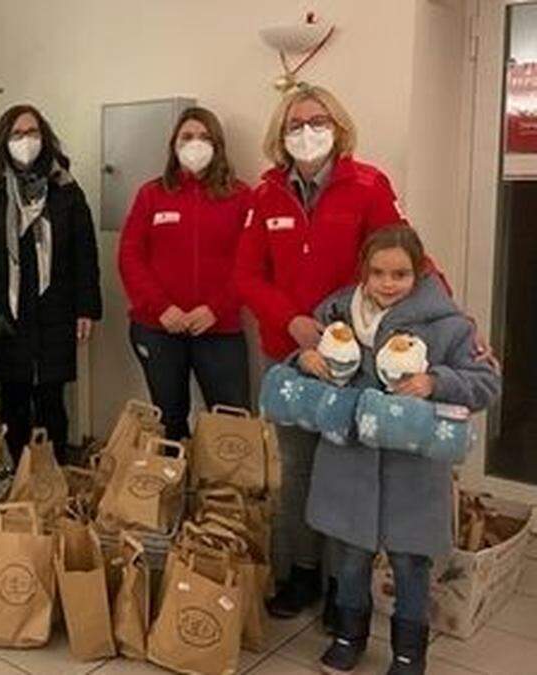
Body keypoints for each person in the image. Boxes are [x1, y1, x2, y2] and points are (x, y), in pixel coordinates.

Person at [235, 83, 413, 619]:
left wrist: (457, 321)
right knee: (297, 469)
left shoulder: (368, 185)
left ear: (337, 126)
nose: (306, 132)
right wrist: (290, 322)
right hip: (287, 357)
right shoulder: (264, 196)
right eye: (295, 124)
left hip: (352, 358)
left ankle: (344, 587)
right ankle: (302, 574)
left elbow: (405, 261)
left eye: (317, 121)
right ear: (280, 134)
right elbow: (245, 275)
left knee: (345, 472)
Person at [296, 226, 500, 674]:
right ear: (364, 273)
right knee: (350, 558)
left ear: (420, 271)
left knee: (411, 564)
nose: (388, 283)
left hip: (413, 470)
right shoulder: (336, 313)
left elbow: (486, 383)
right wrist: (306, 359)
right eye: (378, 273)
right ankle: (349, 636)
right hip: (349, 463)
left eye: (401, 274)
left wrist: (436, 381)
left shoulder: (450, 325)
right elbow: (311, 365)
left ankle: (409, 652)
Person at [0, 104, 102, 464]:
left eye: (33, 133)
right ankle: (17, 477)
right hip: (5, 314)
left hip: (55, 310)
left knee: (51, 401)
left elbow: (85, 253)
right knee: (13, 400)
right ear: (4, 141)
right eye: (18, 134)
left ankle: (53, 478)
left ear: (46, 138)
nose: (27, 141)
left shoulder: (66, 190)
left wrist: (87, 307)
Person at [118, 106, 252, 440]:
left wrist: (215, 309)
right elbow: (130, 257)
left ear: (218, 145)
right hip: (158, 328)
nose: (195, 143)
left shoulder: (241, 196)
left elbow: (249, 263)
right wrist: (162, 308)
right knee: (168, 420)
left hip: (219, 328)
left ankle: (222, 491)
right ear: (174, 145)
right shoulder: (151, 194)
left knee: (231, 423)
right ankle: (172, 487)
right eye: (187, 137)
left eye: (205, 137)